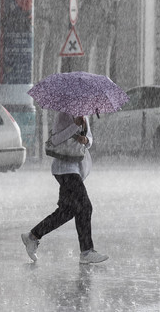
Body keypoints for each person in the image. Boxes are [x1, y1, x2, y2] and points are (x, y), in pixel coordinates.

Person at [21, 112, 108, 264]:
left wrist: (86, 139)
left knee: (66, 212)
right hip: (64, 168)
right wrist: (74, 124)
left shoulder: (84, 113)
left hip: (76, 168)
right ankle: (86, 251)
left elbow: (89, 140)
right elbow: (55, 139)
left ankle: (32, 236)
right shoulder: (62, 114)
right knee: (85, 207)